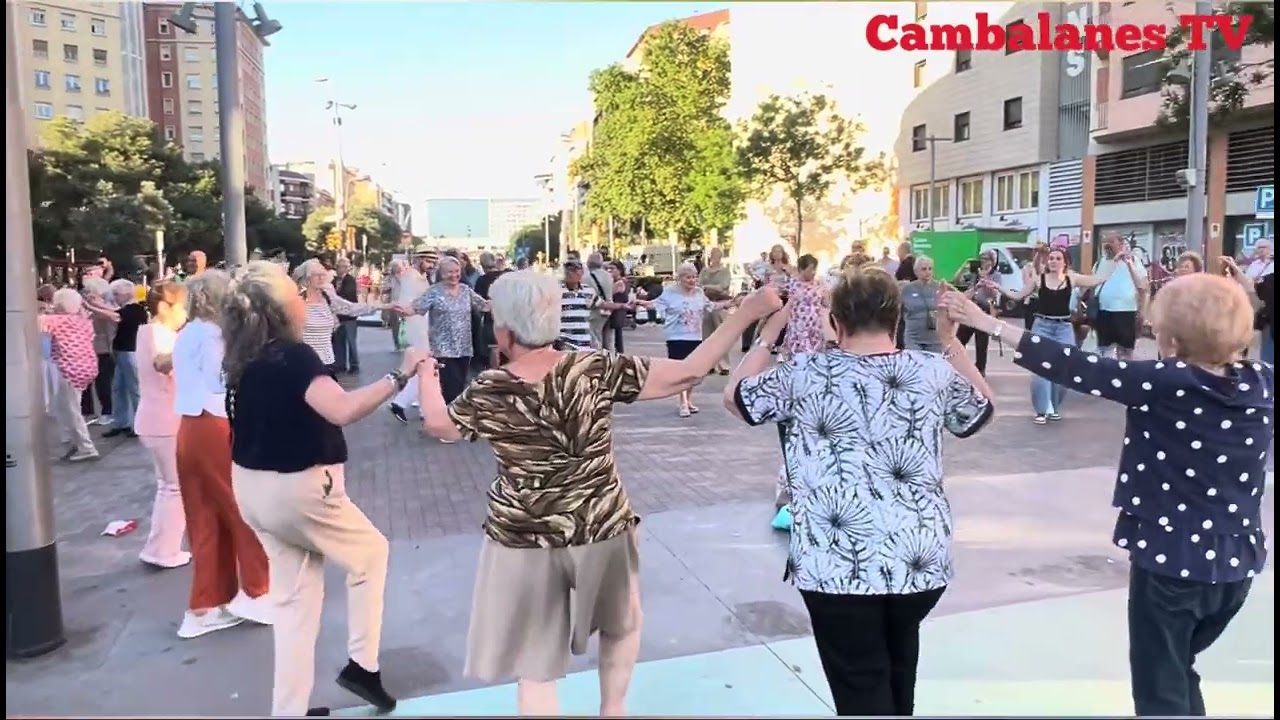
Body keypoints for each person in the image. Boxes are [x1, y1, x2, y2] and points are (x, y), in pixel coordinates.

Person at [413, 269, 783, 716]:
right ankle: (613, 710)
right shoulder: (592, 367)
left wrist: (426, 374)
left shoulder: (491, 389)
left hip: (525, 535)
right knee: (621, 625)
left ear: (506, 331)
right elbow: (689, 372)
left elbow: (440, 425)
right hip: (601, 523)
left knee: (535, 666)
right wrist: (747, 313)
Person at [939, 271, 1271, 717]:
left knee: (1160, 687)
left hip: (1173, 563)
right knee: (1178, 669)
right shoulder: (1262, 382)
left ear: (1175, 333)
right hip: (1236, 566)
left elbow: (1077, 366)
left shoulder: (1168, 382)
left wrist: (986, 322)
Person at [726, 266, 993, 717]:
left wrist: (768, 336)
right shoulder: (930, 371)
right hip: (919, 559)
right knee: (898, 666)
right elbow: (981, 408)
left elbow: (735, 397)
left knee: (860, 684)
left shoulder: (803, 373)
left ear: (836, 321)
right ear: (897, 320)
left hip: (836, 564)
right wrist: (950, 342)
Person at [222, 262, 419, 717]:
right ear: (280, 306)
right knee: (370, 554)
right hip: (300, 487)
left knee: (293, 604)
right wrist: (400, 376)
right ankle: (363, 666)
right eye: (293, 292)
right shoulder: (293, 356)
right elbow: (342, 409)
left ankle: (288, 710)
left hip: (252, 487)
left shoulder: (242, 356)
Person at [171, 270, 273, 639]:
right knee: (241, 507)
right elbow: (222, 380)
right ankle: (258, 591)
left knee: (204, 517)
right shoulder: (214, 335)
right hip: (215, 423)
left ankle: (204, 605)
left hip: (188, 427)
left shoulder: (186, 333)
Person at [990, 246, 1130, 424]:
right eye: (1051, 258)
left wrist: (1115, 261)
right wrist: (997, 287)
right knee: (1040, 370)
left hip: (1063, 327)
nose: (1053, 261)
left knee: (1064, 368)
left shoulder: (1072, 278)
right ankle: (1041, 411)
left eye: (1057, 258)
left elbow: (1099, 279)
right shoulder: (1039, 280)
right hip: (1042, 325)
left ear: (1065, 262)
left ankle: (1054, 407)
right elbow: (1017, 295)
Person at [134, 281, 192, 569]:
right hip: (165, 420)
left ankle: (159, 547)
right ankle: (164, 551)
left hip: (154, 419)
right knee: (174, 488)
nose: (186, 313)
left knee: (167, 486)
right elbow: (161, 363)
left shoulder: (147, 331)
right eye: (182, 306)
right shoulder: (162, 334)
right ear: (164, 307)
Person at [634, 263, 737, 418]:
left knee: (693, 372)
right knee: (680, 371)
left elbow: (710, 306)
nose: (692, 280)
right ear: (680, 279)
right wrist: (640, 303)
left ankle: (688, 400)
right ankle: (682, 402)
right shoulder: (670, 292)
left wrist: (729, 303)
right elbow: (656, 304)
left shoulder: (699, 293)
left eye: (694, 277)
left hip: (694, 336)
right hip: (676, 336)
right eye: (688, 277)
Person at [403, 256, 488, 434]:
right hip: (443, 348)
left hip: (464, 347)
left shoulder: (466, 290)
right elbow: (415, 308)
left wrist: (507, 303)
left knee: (459, 385)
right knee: (450, 387)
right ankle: (448, 425)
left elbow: (484, 305)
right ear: (441, 273)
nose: (454, 275)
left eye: (456, 271)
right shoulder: (434, 291)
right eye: (449, 272)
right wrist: (398, 309)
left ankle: (449, 423)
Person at [40, 289, 104, 463]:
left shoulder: (53, 320)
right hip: (87, 367)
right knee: (62, 407)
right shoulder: (84, 321)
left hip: (68, 369)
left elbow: (36, 326)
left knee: (71, 410)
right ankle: (71, 443)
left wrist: (43, 311)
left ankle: (85, 446)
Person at [293, 259, 390, 374]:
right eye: (316, 275)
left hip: (327, 362)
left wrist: (382, 306)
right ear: (307, 277)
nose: (321, 278)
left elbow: (350, 308)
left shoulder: (327, 296)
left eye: (322, 274)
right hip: (304, 363)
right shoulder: (296, 299)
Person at [1093, 235, 1152, 360]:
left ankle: (1124, 375)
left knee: (1125, 351)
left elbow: (1143, 286)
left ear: (1120, 244)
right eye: (1105, 242)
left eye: (1111, 242)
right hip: (1104, 311)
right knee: (1104, 350)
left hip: (1126, 311)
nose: (1107, 245)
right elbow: (1093, 282)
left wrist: (1128, 263)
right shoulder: (1100, 262)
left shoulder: (1134, 261)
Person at [388, 259, 432, 423]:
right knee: (426, 367)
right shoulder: (411, 278)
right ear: (419, 260)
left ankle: (419, 407)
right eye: (428, 261)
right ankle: (405, 404)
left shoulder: (421, 277)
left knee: (426, 368)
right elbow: (406, 305)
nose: (431, 264)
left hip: (424, 327)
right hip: (420, 328)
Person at [103, 279, 147, 438]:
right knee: (118, 388)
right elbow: (113, 313)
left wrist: (91, 306)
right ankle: (121, 422)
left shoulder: (135, 309)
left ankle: (139, 423)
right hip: (122, 351)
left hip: (130, 351)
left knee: (134, 388)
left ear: (126, 294)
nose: (115, 297)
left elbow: (114, 316)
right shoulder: (127, 309)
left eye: (117, 294)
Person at [953, 250, 1001, 376]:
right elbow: (957, 280)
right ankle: (957, 364)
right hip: (970, 310)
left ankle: (980, 370)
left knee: (981, 344)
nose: (983, 261)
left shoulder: (996, 276)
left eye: (986, 259)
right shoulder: (975, 274)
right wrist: (964, 266)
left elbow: (994, 294)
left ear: (992, 261)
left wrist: (985, 280)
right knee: (960, 339)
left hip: (984, 310)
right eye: (982, 258)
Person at [79, 277, 116, 426]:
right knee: (89, 382)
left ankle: (108, 411)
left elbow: (110, 330)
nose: (86, 294)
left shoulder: (105, 308)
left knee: (103, 382)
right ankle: (88, 411)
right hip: (90, 348)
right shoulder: (90, 309)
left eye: (89, 291)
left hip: (103, 349)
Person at [698, 248, 735, 374]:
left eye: (716, 255)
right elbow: (698, 285)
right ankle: (709, 364)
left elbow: (721, 287)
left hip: (720, 303)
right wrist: (708, 288)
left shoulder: (724, 272)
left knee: (721, 335)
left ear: (720, 257)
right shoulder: (704, 271)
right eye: (712, 255)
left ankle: (724, 365)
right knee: (707, 336)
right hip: (706, 304)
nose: (714, 257)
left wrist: (707, 287)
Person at [899, 255, 945, 353]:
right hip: (913, 337)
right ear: (916, 271)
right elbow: (899, 311)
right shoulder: (907, 289)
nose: (927, 272)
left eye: (930, 269)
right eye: (923, 269)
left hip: (935, 339)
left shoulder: (939, 288)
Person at [331, 257, 362, 375]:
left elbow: (348, 294)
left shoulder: (350, 280)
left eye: (345, 267)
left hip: (349, 317)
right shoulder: (333, 281)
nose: (342, 269)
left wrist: (335, 297)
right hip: (338, 317)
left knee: (351, 342)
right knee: (339, 342)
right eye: (340, 267)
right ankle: (340, 364)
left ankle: (354, 365)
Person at [586, 252, 615, 351]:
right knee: (608, 339)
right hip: (608, 309)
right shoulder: (608, 276)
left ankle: (598, 357)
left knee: (595, 337)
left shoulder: (587, 277)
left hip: (594, 311)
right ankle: (609, 357)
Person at [605, 260, 631, 353]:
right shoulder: (622, 281)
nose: (609, 270)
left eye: (612, 268)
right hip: (618, 310)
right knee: (617, 335)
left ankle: (618, 354)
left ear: (619, 270)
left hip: (616, 310)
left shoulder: (619, 282)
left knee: (613, 336)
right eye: (608, 268)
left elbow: (608, 294)